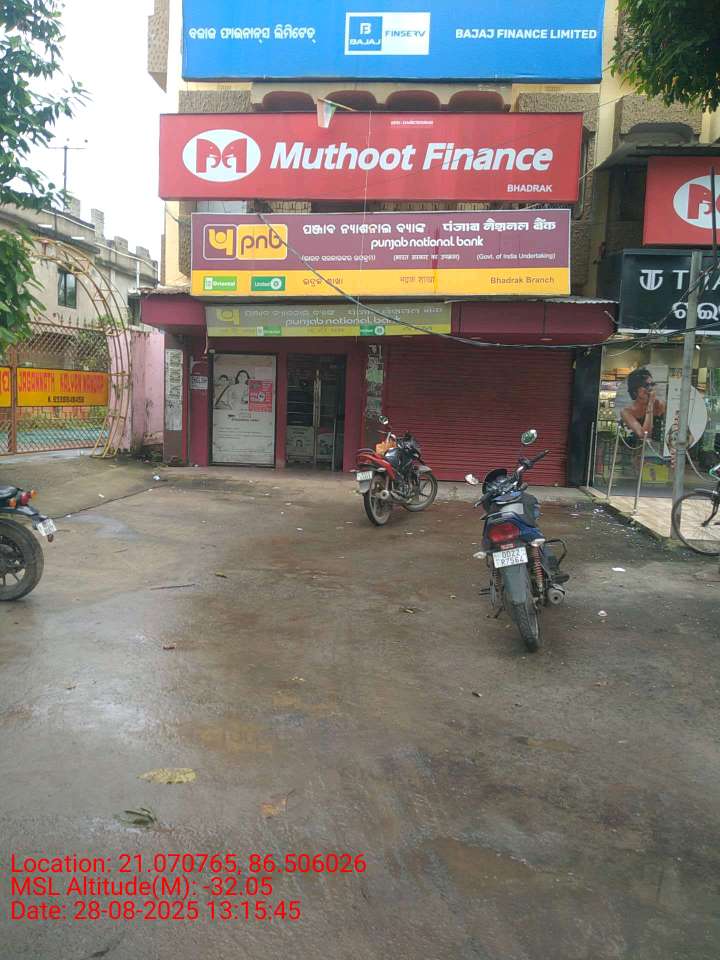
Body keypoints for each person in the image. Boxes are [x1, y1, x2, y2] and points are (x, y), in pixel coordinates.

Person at [621, 368, 666, 440]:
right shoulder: (627, 411)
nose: (650, 388)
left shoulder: (660, 405)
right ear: (635, 390)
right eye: (646, 385)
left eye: (652, 384)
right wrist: (650, 405)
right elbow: (644, 435)